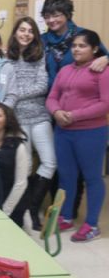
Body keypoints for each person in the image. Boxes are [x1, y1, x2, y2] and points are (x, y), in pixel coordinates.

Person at [46, 30, 109, 242]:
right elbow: (53, 96)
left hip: (91, 133)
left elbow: (105, 104)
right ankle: (66, 216)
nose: (76, 49)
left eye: (82, 46)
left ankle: (92, 224)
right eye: (74, 45)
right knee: (66, 177)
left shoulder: (102, 70)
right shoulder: (65, 70)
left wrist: (74, 115)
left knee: (92, 178)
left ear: (94, 49)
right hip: (63, 132)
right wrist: (56, 112)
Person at [6, 17, 56, 230]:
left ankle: (34, 207)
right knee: (24, 168)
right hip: (17, 119)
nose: (26, 34)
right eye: (22, 30)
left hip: (40, 116)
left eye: (30, 31)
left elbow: (42, 86)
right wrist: (13, 97)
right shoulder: (5, 57)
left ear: (35, 35)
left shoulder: (39, 55)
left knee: (50, 162)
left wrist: (15, 96)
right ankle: (26, 210)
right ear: (15, 32)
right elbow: (5, 84)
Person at [41, 0, 108, 90]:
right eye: (47, 16)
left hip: (79, 95)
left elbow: (106, 55)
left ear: (67, 15)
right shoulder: (42, 39)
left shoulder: (83, 35)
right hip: (49, 96)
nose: (51, 20)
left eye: (56, 15)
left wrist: (106, 59)